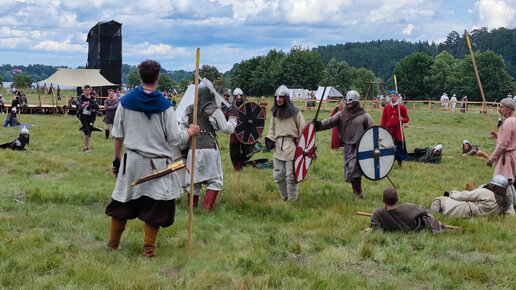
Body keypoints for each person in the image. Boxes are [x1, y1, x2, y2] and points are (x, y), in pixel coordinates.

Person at [105, 60, 200, 257]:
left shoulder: (125, 101)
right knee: (155, 204)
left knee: (124, 201)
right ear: (157, 78)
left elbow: (118, 135)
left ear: (141, 77)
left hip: (131, 162)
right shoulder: (165, 106)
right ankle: (148, 250)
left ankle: (113, 245)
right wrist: (190, 131)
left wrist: (116, 161)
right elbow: (175, 138)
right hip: (157, 164)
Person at [182, 78, 237, 210]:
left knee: (193, 181)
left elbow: (183, 130)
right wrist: (233, 119)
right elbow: (227, 129)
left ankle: (192, 208)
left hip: (193, 149)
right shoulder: (214, 110)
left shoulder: (188, 110)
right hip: (209, 149)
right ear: (211, 94)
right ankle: (207, 208)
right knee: (215, 180)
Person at [313, 91, 373, 198]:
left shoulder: (364, 116)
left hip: (359, 147)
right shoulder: (342, 114)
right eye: (348, 100)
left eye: (351, 101)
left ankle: (358, 193)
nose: (349, 103)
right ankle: (356, 191)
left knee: (355, 171)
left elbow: (373, 131)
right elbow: (330, 122)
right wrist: (319, 125)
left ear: (356, 101)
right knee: (350, 172)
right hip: (347, 147)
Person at [266, 85, 306, 201]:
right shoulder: (274, 113)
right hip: (278, 146)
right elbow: (271, 130)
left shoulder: (296, 113)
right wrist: (269, 139)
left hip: (291, 145)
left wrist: (304, 147)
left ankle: (292, 200)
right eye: (277, 97)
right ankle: (285, 198)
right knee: (278, 175)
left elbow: (303, 130)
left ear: (286, 98)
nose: (278, 99)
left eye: (281, 97)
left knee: (291, 175)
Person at [430, 175, 515, 217]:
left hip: (459, 212)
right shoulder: (507, 203)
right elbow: (511, 217)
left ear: (493, 186)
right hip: (477, 217)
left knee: (439, 199)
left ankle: (432, 216)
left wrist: (451, 193)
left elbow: (462, 196)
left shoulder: (485, 193)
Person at [371, 188, 443, 233]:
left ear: (383, 200)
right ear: (397, 200)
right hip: (415, 228)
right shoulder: (407, 207)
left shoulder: (378, 213)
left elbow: (375, 228)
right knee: (427, 218)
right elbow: (424, 210)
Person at [487, 98, 516, 209]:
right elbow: (510, 139)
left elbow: (503, 145)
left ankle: (509, 208)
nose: (499, 109)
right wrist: (498, 135)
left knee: (502, 182)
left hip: (506, 157)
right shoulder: (514, 120)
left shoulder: (508, 122)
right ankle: (514, 205)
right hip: (512, 154)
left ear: (509, 109)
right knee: (509, 181)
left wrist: (491, 158)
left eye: (502, 107)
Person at [227, 88, 255, 171]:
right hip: (235, 133)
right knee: (234, 152)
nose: (239, 97)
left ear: (243, 96)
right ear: (234, 97)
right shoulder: (231, 107)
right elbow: (226, 118)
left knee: (248, 151)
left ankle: (242, 162)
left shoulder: (247, 105)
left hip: (246, 131)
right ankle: (237, 168)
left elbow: (253, 117)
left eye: (240, 96)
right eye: (237, 96)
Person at [381, 91, 409, 167]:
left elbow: (407, 118)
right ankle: (388, 164)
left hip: (398, 130)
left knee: (399, 147)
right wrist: (382, 129)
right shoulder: (387, 107)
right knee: (388, 146)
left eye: (394, 96)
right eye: (391, 96)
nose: (392, 97)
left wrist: (402, 119)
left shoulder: (402, 107)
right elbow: (383, 120)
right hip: (389, 130)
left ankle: (400, 164)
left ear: (397, 97)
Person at [76, 85, 100, 152]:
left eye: (88, 90)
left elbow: (97, 107)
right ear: (83, 90)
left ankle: (87, 147)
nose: (87, 91)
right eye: (85, 90)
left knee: (89, 131)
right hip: (83, 116)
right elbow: (78, 106)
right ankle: (85, 148)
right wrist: (83, 105)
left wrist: (93, 110)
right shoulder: (81, 98)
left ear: (90, 91)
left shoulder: (93, 98)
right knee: (87, 131)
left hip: (91, 117)